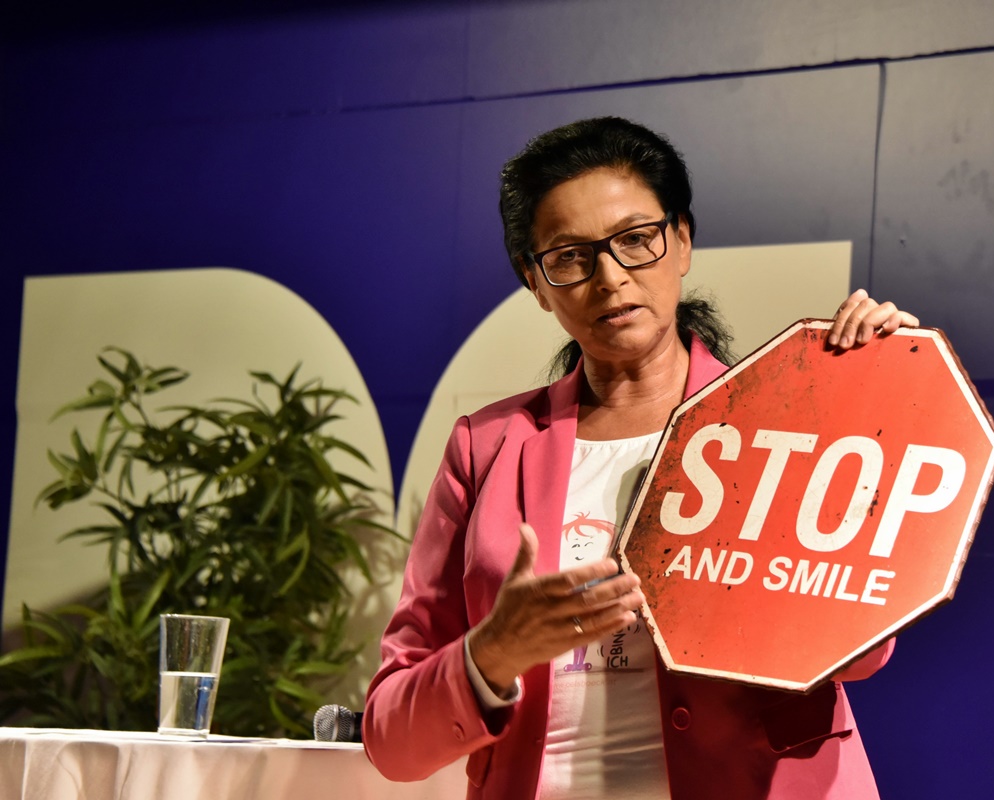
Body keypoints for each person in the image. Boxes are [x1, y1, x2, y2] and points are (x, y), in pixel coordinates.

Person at [363, 116, 918, 799]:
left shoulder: (780, 426)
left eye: (635, 239)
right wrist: (493, 652)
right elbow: (391, 741)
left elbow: (865, 652)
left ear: (681, 241)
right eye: (570, 256)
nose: (610, 276)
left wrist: (878, 396)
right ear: (535, 282)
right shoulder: (485, 447)